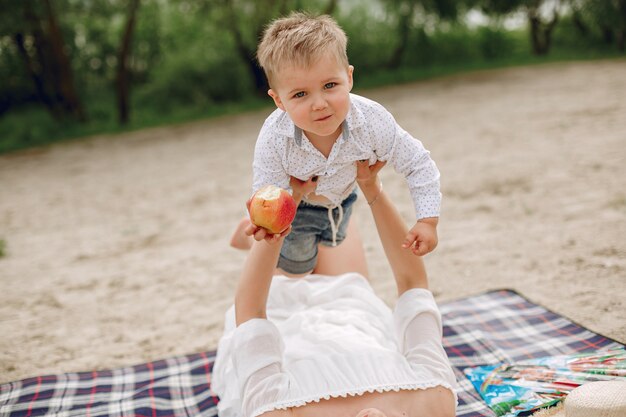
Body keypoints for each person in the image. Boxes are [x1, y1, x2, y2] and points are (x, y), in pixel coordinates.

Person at [212, 160, 457, 417]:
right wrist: (372, 188)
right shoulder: (433, 403)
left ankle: (254, 239)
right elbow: (412, 284)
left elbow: (251, 311)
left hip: (278, 310)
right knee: (332, 205)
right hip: (349, 307)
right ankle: (279, 237)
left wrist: (279, 219)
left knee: (290, 254)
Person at [234, 12, 441, 277]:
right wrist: (266, 222)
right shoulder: (275, 137)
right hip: (299, 206)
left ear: (349, 78)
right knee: (298, 270)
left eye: (330, 85)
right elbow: (267, 193)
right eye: (300, 94)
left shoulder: (371, 120)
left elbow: (417, 163)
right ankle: (245, 234)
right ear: (279, 101)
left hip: (343, 200)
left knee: (334, 242)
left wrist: (427, 220)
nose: (319, 103)